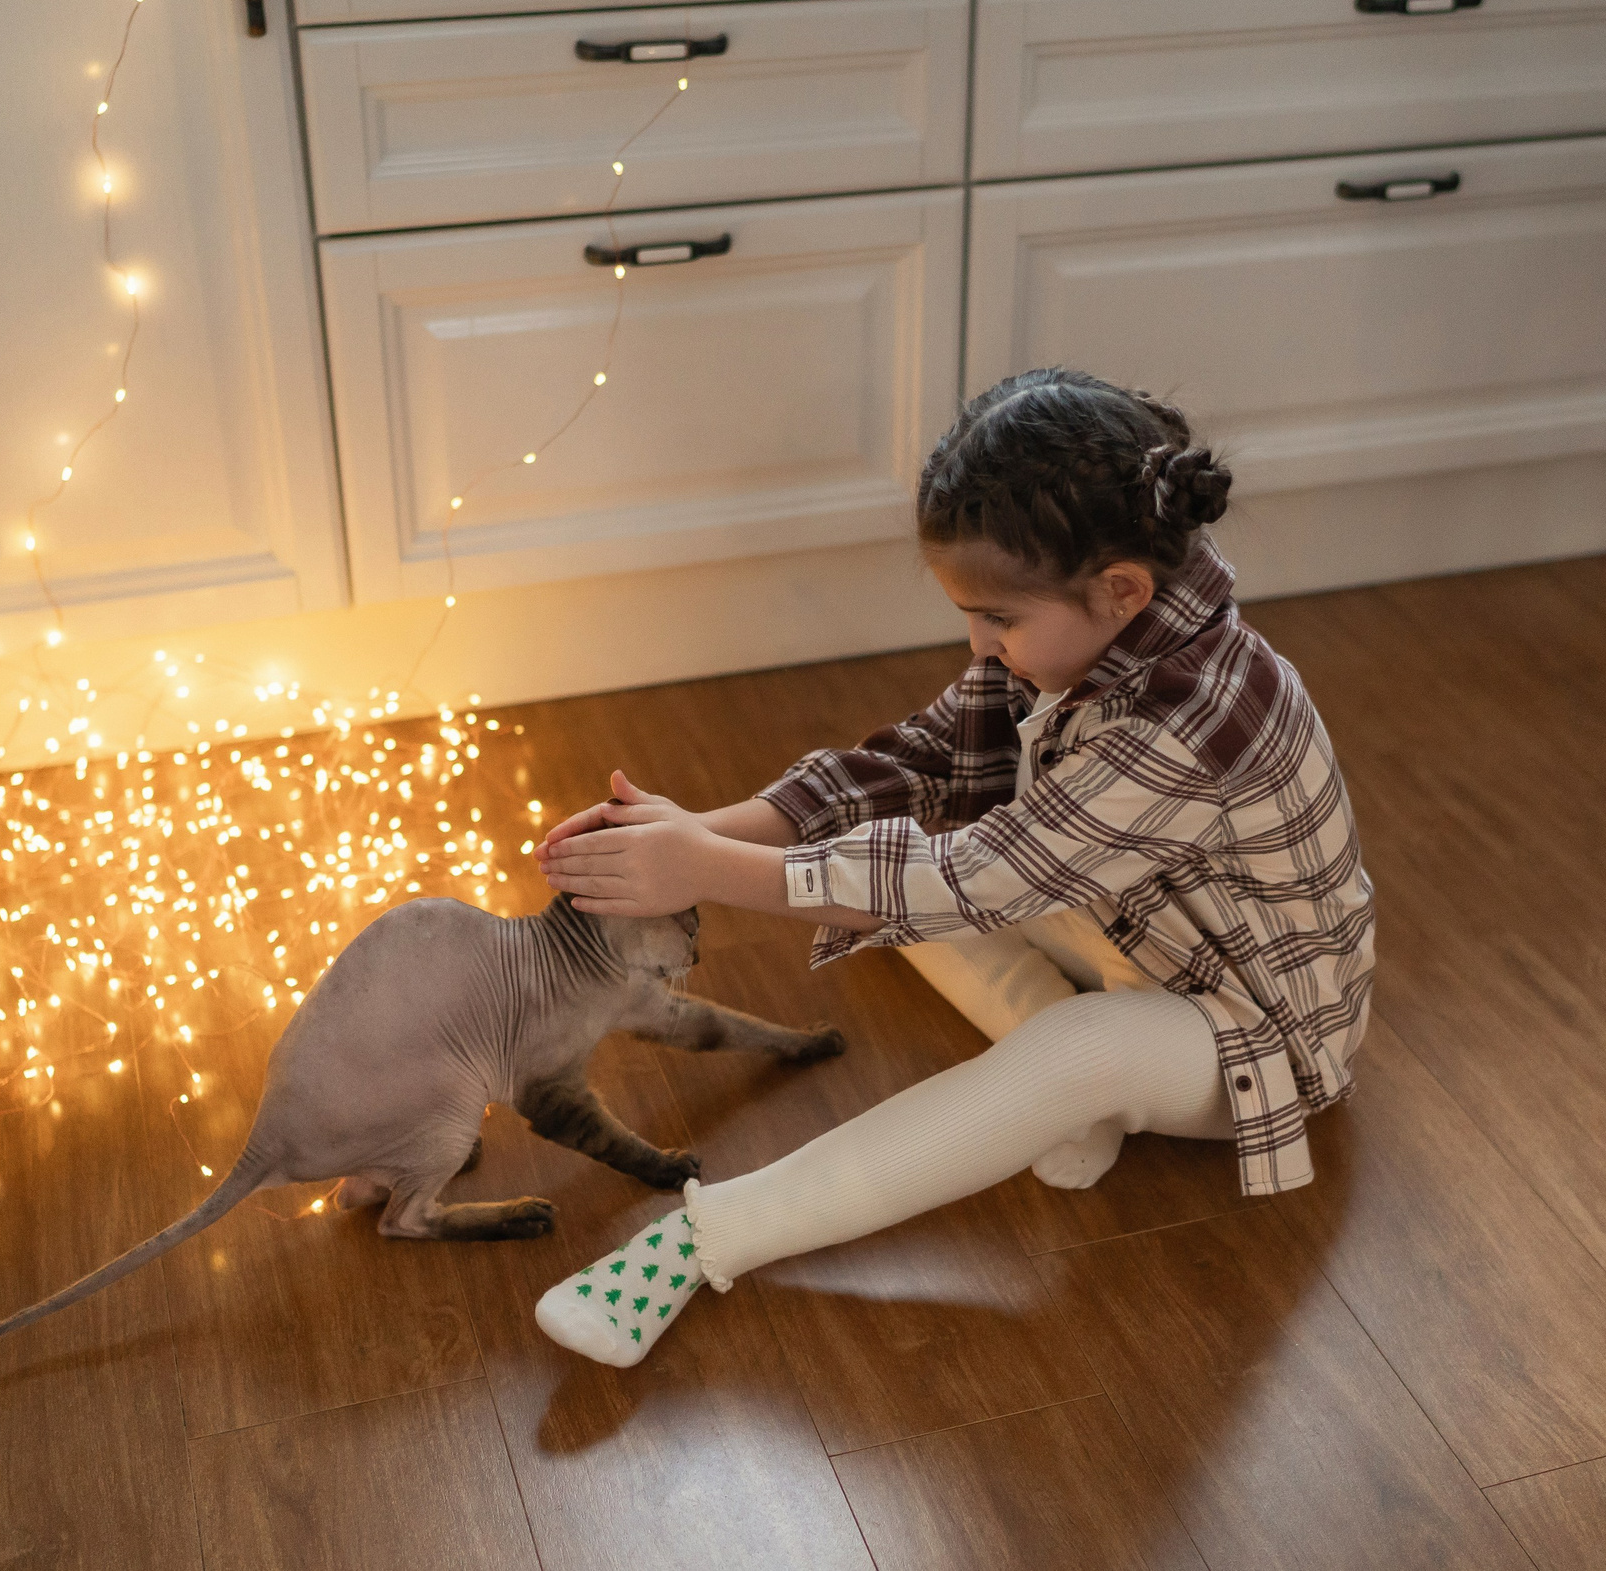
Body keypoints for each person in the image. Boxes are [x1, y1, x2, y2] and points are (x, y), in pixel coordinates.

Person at [529, 366, 1374, 1366]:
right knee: (881, 895)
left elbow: (972, 881)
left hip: (1248, 1030)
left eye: (997, 621)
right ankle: (1055, 1103)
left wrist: (706, 868)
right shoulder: (1101, 619)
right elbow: (919, 761)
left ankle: (704, 1239)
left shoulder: (1189, 722)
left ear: (1120, 590)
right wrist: (707, 831)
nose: (979, 644)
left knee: (1040, 1010)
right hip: (1128, 921)